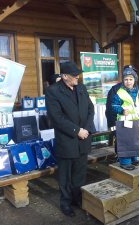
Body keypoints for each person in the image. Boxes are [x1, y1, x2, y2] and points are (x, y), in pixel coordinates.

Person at [45, 61, 95, 217]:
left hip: (83, 138)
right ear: (64, 76)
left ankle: (77, 199)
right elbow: (57, 118)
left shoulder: (82, 88)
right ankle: (65, 203)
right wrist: (77, 130)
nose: (77, 77)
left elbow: (90, 109)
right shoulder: (53, 91)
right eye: (74, 75)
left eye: (78, 74)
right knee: (66, 176)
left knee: (80, 173)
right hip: (67, 140)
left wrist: (85, 129)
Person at [110, 65, 139, 170]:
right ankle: (125, 162)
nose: (128, 81)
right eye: (126, 79)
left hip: (137, 121)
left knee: (135, 141)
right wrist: (121, 110)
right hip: (125, 122)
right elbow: (113, 106)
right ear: (123, 80)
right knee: (126, 142)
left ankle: (134, 158)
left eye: (130, 79)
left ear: (135, 80)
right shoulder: (119, 93)